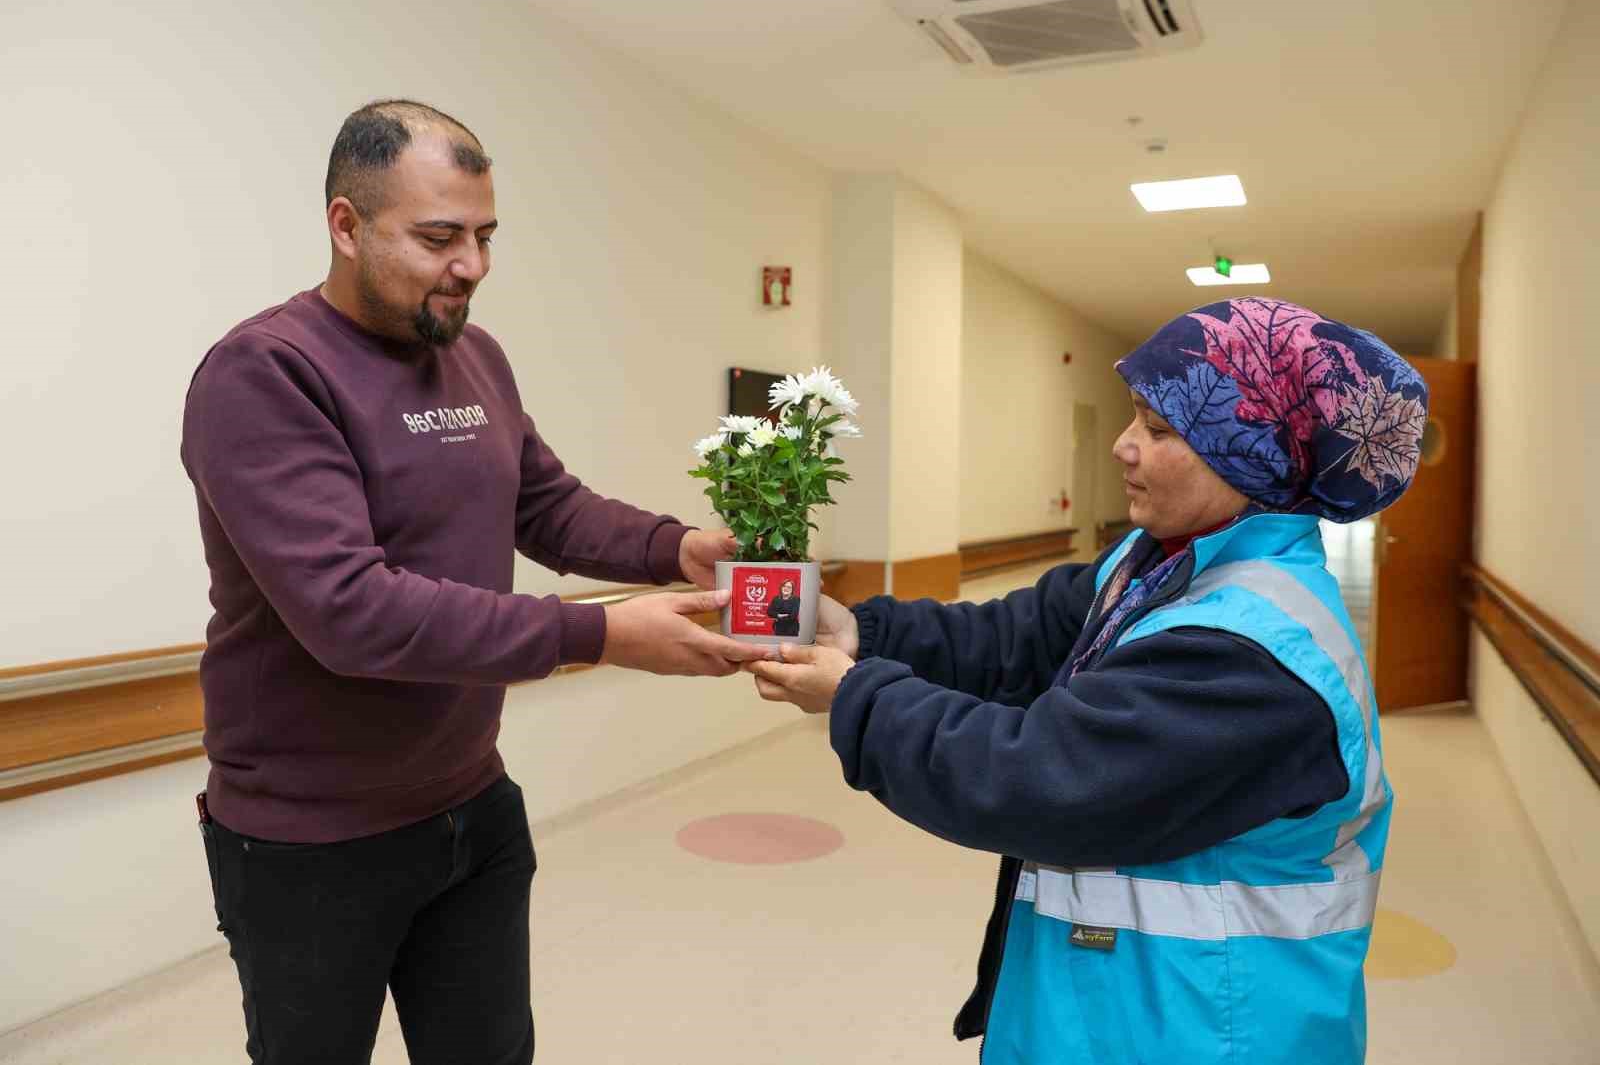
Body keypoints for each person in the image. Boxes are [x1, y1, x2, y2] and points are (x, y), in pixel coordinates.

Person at [181, 99, 771, 1065]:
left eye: (486, 237)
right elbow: (351, 614)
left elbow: (544, 507)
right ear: (345, 224)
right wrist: (603, 635)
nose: (472, 266)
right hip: (310, 839)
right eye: (439, 237)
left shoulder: (473, 356)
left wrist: (677, 549)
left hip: (472, 805)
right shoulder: (264, 374)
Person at [749, 298, 1427, 1064]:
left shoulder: (1251, 656)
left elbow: (1037, 777)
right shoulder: (1157, 563)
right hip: (1106, 1007)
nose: (1122, 447)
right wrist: (864, 632)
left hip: (1204, 1027)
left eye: (1159, 429)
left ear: (1250, 455)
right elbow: (1017, 636)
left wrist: (854, 696)